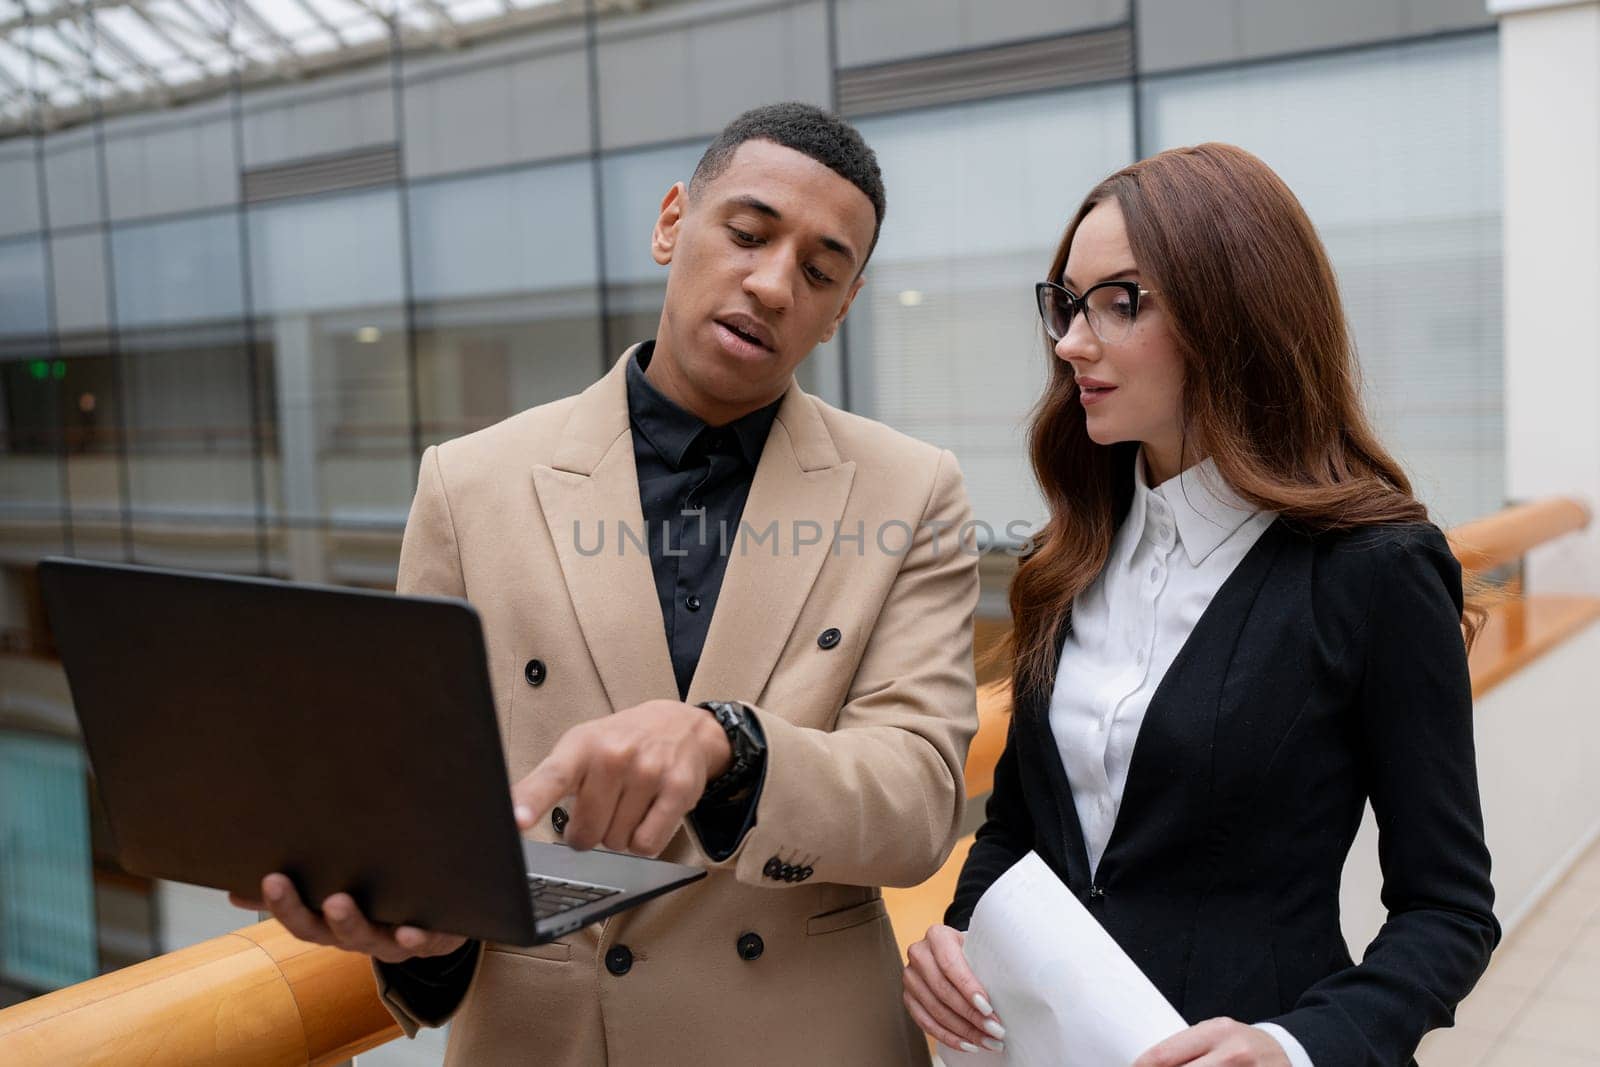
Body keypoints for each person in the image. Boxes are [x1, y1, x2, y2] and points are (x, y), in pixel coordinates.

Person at [229, 102, 980, 1066]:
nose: (771, 281)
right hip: (550, 1035)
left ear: (842, 307)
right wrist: (425, 932)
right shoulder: (469, 482)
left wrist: (730, 742)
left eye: (819, 270)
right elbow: (426, 796)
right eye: (747, 234)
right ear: (673, 223)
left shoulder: (913, 489)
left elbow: (919, 795)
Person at [901, 142, 1499, 1066]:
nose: (1070, 341)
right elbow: (1020, 829)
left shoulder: (1373, 569)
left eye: (1120, 300)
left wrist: (1292, 1047)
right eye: (1067, 301)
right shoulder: (1066, 556)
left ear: (1235, 315)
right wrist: (960, 934)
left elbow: (1448, 910)